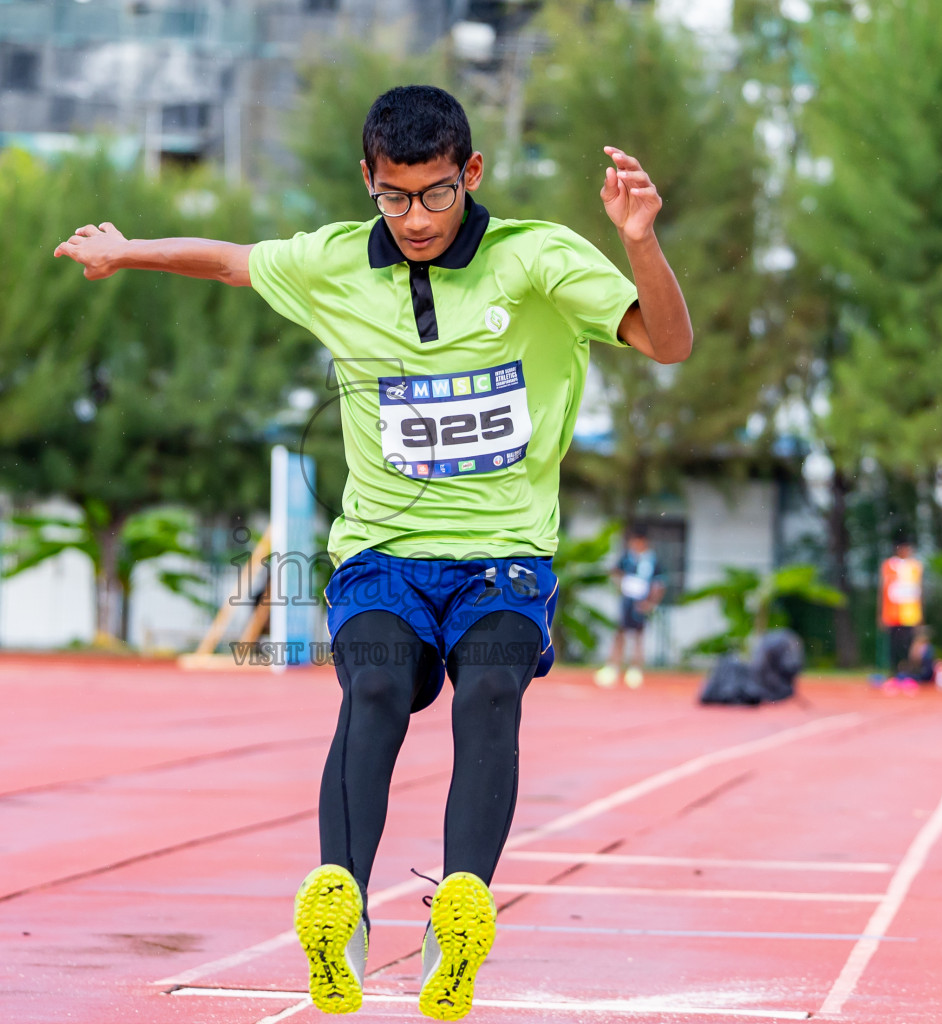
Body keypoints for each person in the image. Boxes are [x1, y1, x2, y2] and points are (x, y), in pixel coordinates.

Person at [54, 86, 691, 1019]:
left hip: (505, 554)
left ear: (470, 174)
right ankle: (340, 909)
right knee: (378, 689)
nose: (418, 219)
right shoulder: (335, 263)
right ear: (369, 182)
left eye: (436, 195)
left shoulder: (540, 259)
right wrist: (127, 251)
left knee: (491, 693)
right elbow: (232, 262)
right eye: (395, 198)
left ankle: (458, 916)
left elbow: (667, 345)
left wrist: (639, 238)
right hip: (382, 556)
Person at [595, 522, 665, 689]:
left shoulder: (652, 560)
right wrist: (622, 585)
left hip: (642, 601)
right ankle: (613, 667)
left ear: (643, 541)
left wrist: (650, 602)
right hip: (627, 599)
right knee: (620, 632)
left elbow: (659, 584)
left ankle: (635, 670)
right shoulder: (627, 557)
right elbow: (615, 571)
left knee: (639, 635)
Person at [879, 541, 923, 677]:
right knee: (894, 645)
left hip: (910, 615)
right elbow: (883, 590)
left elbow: (919, 592)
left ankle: (906, 672)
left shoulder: (915, 566)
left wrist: (920, 614)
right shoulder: (889, 565)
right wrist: (881, 613)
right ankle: (894, 671)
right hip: (893, 614)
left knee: (908, 645)